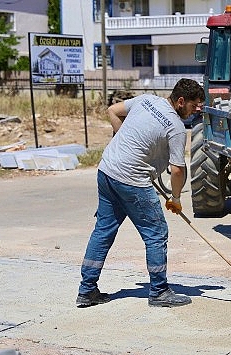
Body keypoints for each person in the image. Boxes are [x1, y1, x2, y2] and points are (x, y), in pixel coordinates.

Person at [76, 78, 205, 308]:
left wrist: (124, 140)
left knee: (103, 231)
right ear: (181, 101)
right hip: (131, 180)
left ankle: (87, 291)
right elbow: (177, 171)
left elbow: (113, 111)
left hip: (107, 170)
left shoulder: (146, 100)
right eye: (194, 105)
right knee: (156, 233)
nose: (197, 110)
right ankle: (159, 292)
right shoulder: (175, 127)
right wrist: (176, 199)